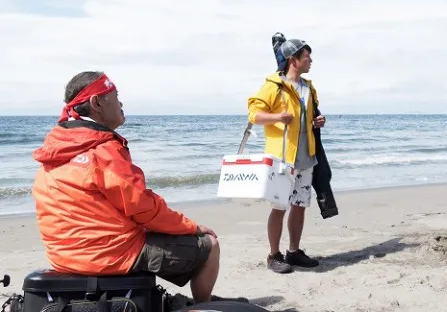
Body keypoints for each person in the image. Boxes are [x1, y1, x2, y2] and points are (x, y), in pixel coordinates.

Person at [32, 71, 223, 305]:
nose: (121, 103)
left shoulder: (57, 147)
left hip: (63, 256)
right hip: (108, 255)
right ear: (97, 103)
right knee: (210, 245)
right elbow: (144, 208)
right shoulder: (103, 149)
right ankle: (204, 305)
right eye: (116, 95)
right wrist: (191, 227)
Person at [247, 38, 326, 274]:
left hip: (305, 157)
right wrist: (277, 118)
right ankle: (274, 255)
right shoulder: (275, 86)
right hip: (281, 159)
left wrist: (317, 122)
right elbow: (254, 114)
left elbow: (308, 118)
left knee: (299, 206)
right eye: (306, 57)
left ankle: (293, 251)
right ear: (294, 60)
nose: (310, 61)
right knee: (279, 207)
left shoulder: (309, 88)